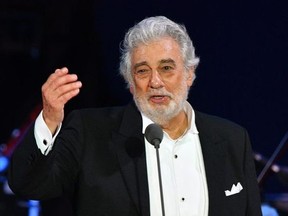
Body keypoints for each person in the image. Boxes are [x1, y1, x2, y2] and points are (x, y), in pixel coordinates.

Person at [7, 16, 262, 216]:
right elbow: (28, 185)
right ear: (130, 83)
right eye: (142, 71)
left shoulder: (231, 140)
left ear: (189, 74)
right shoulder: (91, 133)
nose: (155, 82)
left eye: (166, 68)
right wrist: (49, 120)